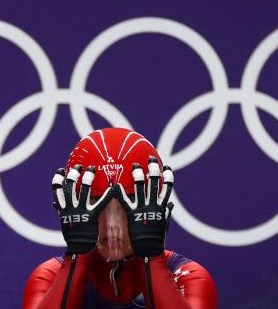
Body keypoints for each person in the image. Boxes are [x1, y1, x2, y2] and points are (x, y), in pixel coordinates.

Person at [22, 128, 218, 309]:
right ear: (72, 203)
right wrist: (77, 256)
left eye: (130, 201)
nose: (112, 225)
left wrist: (151, 256)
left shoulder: (188, 276)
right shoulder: (48, 275)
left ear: (154, 200)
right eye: (96, 202)